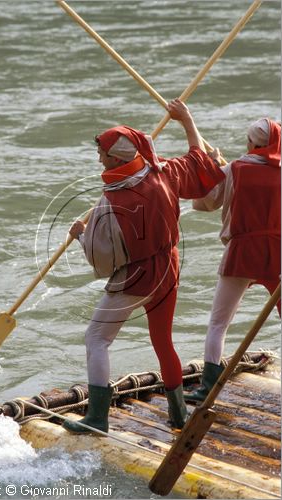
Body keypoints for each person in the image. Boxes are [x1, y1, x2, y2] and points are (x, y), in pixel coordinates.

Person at [62, 98, 225, 434]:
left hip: (138, 276)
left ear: (116, 157)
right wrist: (186, 119)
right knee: (163, 341)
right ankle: (179, 415)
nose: (98, 157)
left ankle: (97, 418)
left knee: (95, 338)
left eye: (102, 153)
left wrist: (80, 235)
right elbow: (199, 160)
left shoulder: (114, 200)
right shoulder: (164, 172)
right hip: (169, 267)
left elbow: (103, 258)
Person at [186, 118, 281, 403]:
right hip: (278, 251)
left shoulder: (234, 170)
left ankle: (208, 387)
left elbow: (203, 203)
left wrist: (216, 170)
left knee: (219, 322)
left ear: (251, 143)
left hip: (242, 250)